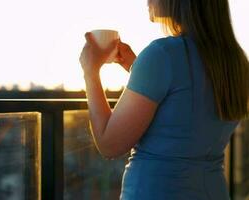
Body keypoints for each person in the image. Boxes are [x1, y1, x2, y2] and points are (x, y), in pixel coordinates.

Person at [79, 0, 249, 199]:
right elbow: (186, 103)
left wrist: (90, 72)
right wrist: (139, 70)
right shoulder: (236, 61)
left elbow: (109, 144)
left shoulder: (163, 54)